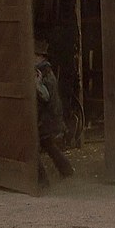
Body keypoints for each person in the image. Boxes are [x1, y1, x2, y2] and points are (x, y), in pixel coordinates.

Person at [34, 39, 75, 187]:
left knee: (32, 147)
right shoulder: (45, 71)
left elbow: (45, 96)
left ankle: (42, 181)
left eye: (34, 55)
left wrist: (37, 84)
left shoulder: (43, 73)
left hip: (47, 118)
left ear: (40, 57)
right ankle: (66, 170)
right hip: (50, 117)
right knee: (49, 145)